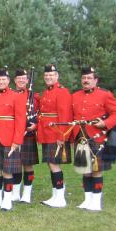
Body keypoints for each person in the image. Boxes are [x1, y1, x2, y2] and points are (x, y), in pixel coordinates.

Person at [71, 67, 116, 211]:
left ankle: (96, 201)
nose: (85, 80)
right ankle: (87, 200)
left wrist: (105, 124)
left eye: (89, 78)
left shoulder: (105, 95)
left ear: (95, 80)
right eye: (83, 78)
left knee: (97, 170)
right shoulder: (75, 95)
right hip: (80, 136)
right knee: (85, 169)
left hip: (97, 137)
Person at [0, 68, 26, 211]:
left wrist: (17, 140)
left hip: (8, 137)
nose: (1, 82)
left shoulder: (17, 96)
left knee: (7, 170)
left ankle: (7, 200)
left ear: (8, 81)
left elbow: (21, 120)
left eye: (4, 79)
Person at [37, 64, 73, 208]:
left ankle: (60, 197)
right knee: (50, 164)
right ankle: (55, 195)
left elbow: (65, 115)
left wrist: (62, 135)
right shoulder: (46, 92)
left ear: (57, 76)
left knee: (54, 164)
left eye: (51, 75)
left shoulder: (62, 92)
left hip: (56, 132)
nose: (48, 77)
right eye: (46, 75)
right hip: (46, 132)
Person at [13, 68, 40, 203]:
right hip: (14, 133)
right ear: (15, 80)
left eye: (24, 78)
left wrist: (36, 125)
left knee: (28, 165)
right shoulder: (11, 94)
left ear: (28, 80)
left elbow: (42, 113)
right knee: (16, 164)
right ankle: (16, 192)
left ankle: (27, 193)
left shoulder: (35, 96)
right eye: (19, 78)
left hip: (28, 134)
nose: (21, 80)